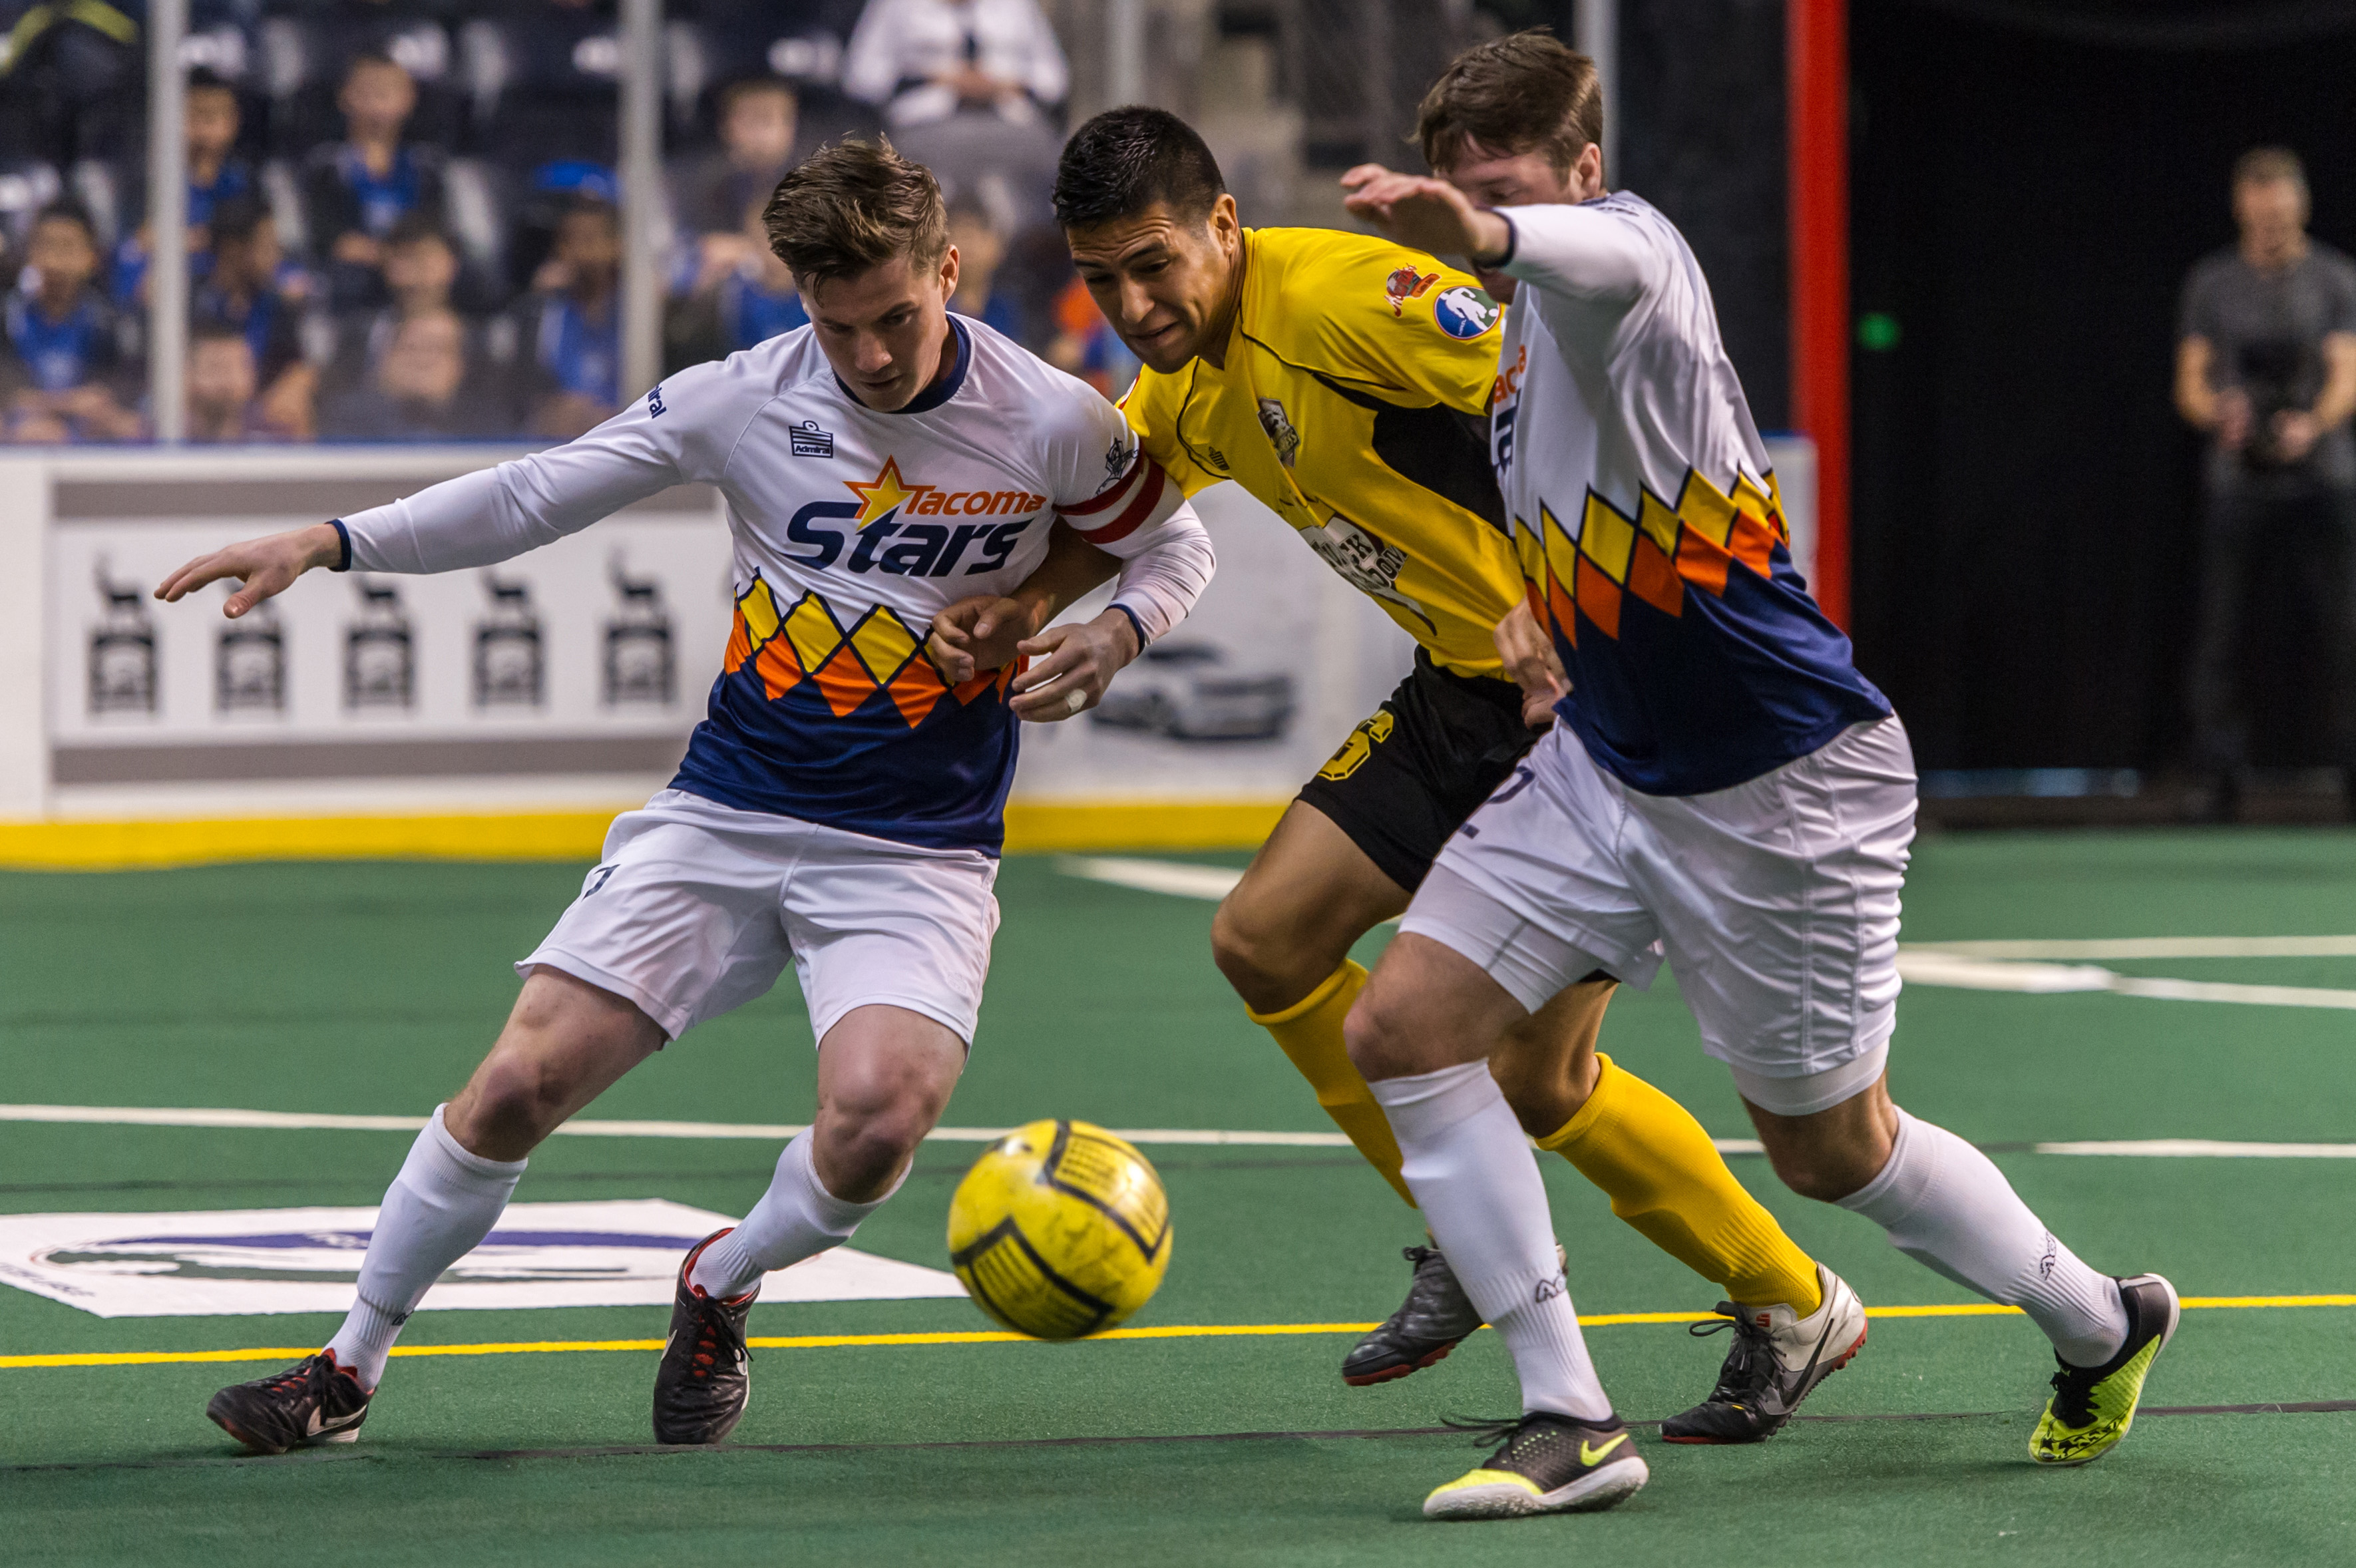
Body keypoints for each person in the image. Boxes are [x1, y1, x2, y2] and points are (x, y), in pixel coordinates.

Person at [159, 136, 1215, 1456]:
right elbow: (537, 494)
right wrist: (331, 540)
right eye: (841, 326)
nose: (875, 355)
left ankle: (721, 1280)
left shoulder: (1051, 416)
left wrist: (1114, 634)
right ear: (800, 304)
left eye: (899, 315)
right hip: (723, 813)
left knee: (880, 1118)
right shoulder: (739, 397)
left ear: (950, 269)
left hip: (918, 847)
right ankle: (347, 1365)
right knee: (510, 1087)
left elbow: (1174, 538)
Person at [1335, 32, 2176, 1517]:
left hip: (1785, 780)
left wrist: (1474, 230)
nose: (1475, 212)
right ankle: (1568, 1416)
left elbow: (1580, 256)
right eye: (1459, 184)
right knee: (1403, 1025)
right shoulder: (1519, 350)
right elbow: (1579, 513)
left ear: (1581, 173)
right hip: (1610, 766)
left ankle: (2102, 1321)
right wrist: (1540, 618)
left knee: (1831, 1145)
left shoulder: (1634, 254)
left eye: (1506, 185)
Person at [1022, 105, 1860, 1441]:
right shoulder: (1184, 383)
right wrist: (1050, 620)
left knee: (1542, 1079)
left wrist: (1562, 598)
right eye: (1102, 277)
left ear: (1225, 224)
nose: (1133, 303)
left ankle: (1794, 1298)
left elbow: (1563, 397)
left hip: (1587, 696)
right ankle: (1463, 1242)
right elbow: (1120, 519)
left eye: (1154, 262)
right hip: (1461, 694)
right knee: (1265, 939)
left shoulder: (1357, 298)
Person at [2176, 146, 2356, 817]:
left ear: (2301, 205)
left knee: (2347, 628)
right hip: (2237, 480)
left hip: (2324, 477)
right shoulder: (2212, 284)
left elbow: (2347, 373)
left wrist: (2312, 423)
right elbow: (2189, 381)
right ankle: (2216, 779)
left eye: (2284, 208)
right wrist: (2219, 415)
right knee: (2221, 633)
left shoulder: (2335, 279)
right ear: (2242, 206)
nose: (2273, 221)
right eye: (2261, 209)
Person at [300, 52, 449, 310]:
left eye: (387, 91)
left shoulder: (426, 166)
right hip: (356, 270)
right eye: (367, 91)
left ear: (409, 98)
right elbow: (328, 237)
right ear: (344, 96)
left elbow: (435, 227)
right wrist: (386, 256)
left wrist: (415, 258)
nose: (377, 102)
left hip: (416, 263)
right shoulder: (327, 166)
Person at [110, 67, 255, 309]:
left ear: (234, 122)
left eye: (215, 115)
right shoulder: (149, 182)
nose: (206, 127)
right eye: (197, 114)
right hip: (165, 294)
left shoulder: (243, 184)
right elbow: (133, 246)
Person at [1, 203, 143, 443]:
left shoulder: (111, 325)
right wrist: (67, 404)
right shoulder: (7, 318)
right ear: (31, 252)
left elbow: (110, 399)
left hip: (89, 450)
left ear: (91, 257)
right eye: (46, 245)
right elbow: (7, 396)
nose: (54, 260)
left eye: (67, 247)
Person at [192, 197, 319, 441]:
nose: (276, 256)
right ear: (234, 248)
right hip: (202, 425)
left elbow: (298, 369)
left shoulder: (276, 306)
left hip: (256, 424)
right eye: (267, 245)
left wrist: (298, 382)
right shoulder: (190, 301)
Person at [840, 0, 1067, 132]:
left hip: (1011, 121)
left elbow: (1055, 78)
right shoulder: (895, 4)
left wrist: (1001, 84)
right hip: (922, 123)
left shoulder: (1017, 5)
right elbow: (860, 76)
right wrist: (936, 79)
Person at [512, 194, 623, 437]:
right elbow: (524, 401)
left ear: (618, 245)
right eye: (568, 241)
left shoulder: (636, 312)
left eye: (590, 240)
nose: (578, 253)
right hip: (562, 447)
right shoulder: (545, 313)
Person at [320, 308, 508, 440]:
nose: (422, 361)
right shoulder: (348, 420)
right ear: (386, 360)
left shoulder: (487, 426)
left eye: (437, 349)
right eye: (411, 348)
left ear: (460, 365)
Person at [667, 197, 809, 369]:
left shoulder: (813, 292)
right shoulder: (739, 295)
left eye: (777, 239)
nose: (771, 250)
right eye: (761, 241)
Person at [672, 77, 803, 247]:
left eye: (767, 120)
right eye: (750, 120)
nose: (760, 134)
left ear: (791, 125)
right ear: (727, 126)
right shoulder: (701, 185)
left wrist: (751, 251)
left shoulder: (813, 182)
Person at [946, 198, 1022, 341]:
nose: (968, 241)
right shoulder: (932, 311)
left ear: (998, 246)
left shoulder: (1007, 311)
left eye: (979, 230)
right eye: (958, 232)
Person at [186, 319, 274, 443]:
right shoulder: (158, 440)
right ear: (187, 376)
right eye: (216, 368)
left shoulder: (275, 442)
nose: (228, 381)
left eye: (238, 368)